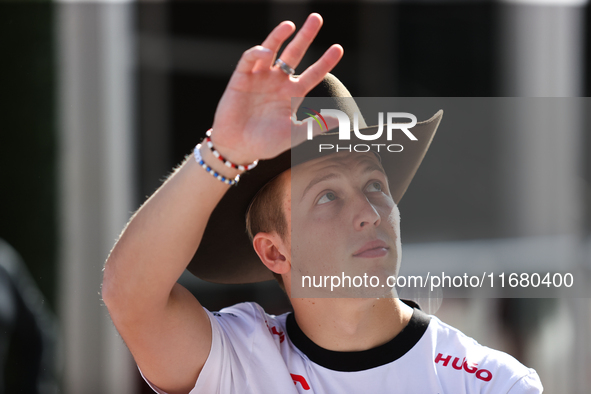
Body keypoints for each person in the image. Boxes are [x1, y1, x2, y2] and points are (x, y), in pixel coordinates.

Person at [102, 13, 543, 394]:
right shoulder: (237, 362)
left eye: (375, 185)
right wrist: (223, 152)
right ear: (275, 251)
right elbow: (129, 296)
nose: (370, 213)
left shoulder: (492, 383)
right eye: (328, 196)